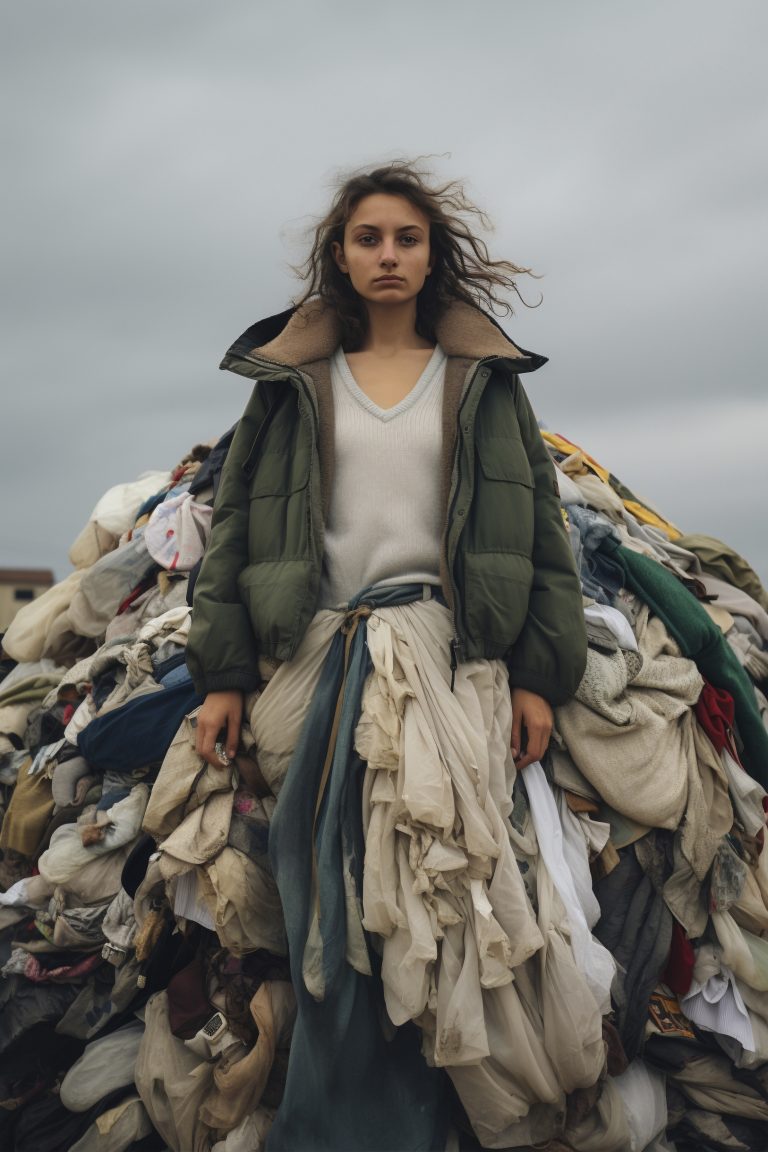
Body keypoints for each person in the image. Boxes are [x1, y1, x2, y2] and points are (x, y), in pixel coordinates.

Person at [185, 161, 589, 1150]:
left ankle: (432, 1114)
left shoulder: (481, 384)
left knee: (438, 896)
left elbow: (539, 537)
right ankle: (339, 1118)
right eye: (369, 238)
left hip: (446, 655)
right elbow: (234, 532)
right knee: (322, 888)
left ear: (433, 254)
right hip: (319, 653)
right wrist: (225, 677)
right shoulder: (292, 384)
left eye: (407, 239)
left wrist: (540, 674)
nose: (388, 256)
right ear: (340, 254)